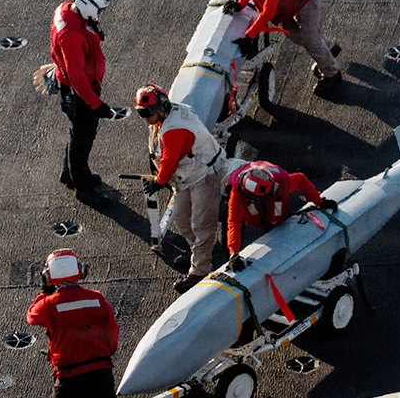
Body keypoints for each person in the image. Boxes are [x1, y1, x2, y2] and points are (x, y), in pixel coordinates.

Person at [135, 84, 243, 293]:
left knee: (202, 223)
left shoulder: (174, 129)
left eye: (147, 113)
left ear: (161, 107)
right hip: (187, 178)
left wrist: (158, 182)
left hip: (203, 176)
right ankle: (200, 253)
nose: (145, 118)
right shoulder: (169, 116)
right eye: (141, 113)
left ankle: (201, 270)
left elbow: (169, 162)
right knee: (182, 219)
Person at [221, 0, 342, 95]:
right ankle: (329, 47)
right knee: (293, 34)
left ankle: (332, 74)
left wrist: (249, 36)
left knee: (311, 41)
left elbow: (268, 12)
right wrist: (240, 4)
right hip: (288, 2)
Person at [50, 0, 118, 208]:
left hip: (76, 89)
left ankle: (70, 173)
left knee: (76, 133)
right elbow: (76, 76)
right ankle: (82, 187)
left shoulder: (68, 13)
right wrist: (96, 104)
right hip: (80, 92)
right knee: (83, 137)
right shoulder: (71, 35)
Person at [26, 250, 119, 398]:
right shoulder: (97, 298)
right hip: (101, 372)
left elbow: (31, 317)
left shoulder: (48, 304)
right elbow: (112, 334)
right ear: (80, 270)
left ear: (48, 276)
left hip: (68, 376)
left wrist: (45, 291)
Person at [224, 160, 337, 271]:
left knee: (276, 212)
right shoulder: (237, 194)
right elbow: (234, 222)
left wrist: (320, 202)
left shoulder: (281, 182)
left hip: (271, 195)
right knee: (249, 215)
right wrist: (234, 253)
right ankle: (232, 254)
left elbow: (301, 181)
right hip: (250, 204)